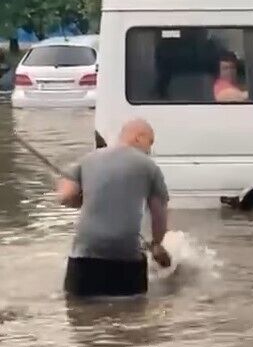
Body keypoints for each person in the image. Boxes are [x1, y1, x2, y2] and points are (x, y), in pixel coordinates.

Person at [57, 119, 171, 298]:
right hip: (126, 257)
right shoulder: (150, 167)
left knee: (80, 314)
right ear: (138, 137)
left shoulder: (86, 159)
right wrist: (156, 244)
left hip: (84, 255)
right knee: (131, 314)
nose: (149, 150)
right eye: (150, 143)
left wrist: (83, 200)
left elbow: (65, 196)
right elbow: (159, 215)